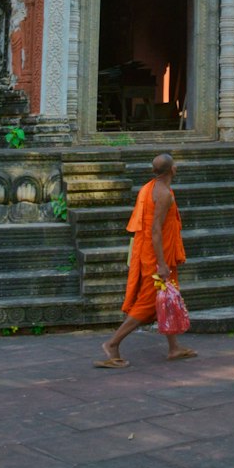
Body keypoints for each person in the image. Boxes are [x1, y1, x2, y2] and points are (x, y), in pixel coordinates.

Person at [96, 152, 195, 367]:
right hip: (157, 255)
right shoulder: (163, 194)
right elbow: (156, 230)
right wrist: (161, 263)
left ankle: (174, 347)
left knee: (167, 297)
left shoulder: (150, 187)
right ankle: (112, 344)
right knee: (148, 304)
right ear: (172, 170)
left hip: (153, 251)